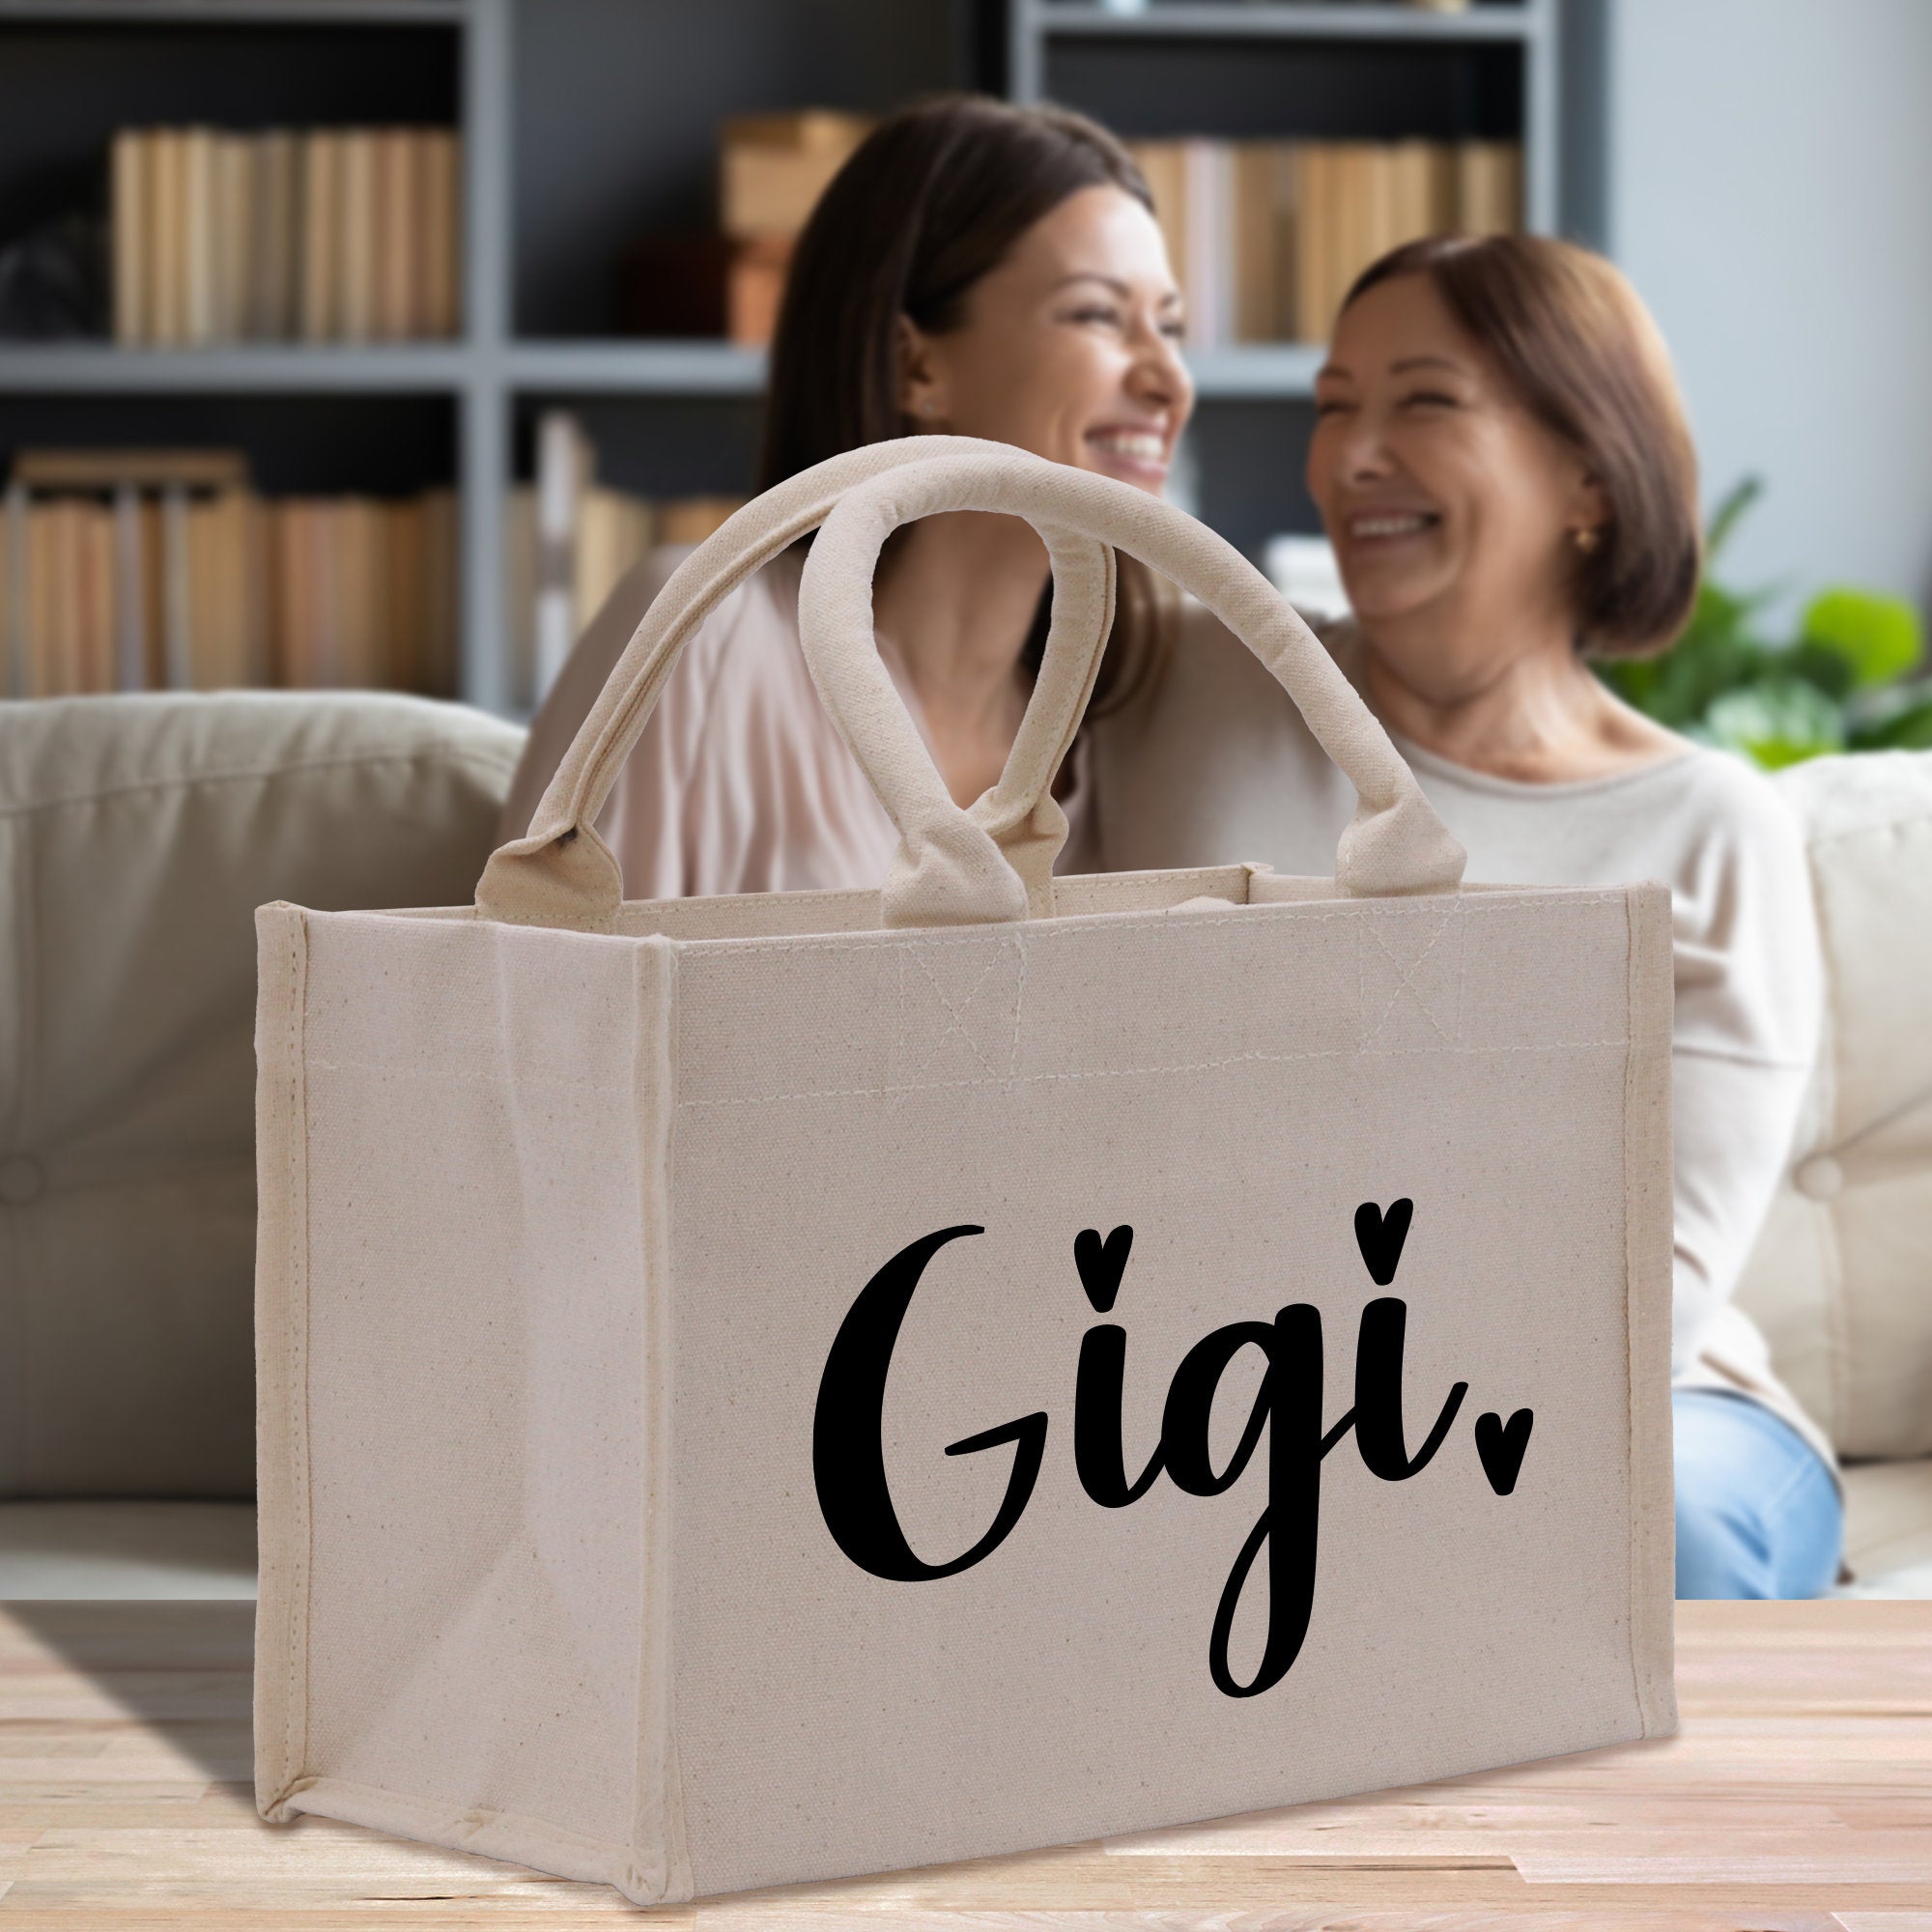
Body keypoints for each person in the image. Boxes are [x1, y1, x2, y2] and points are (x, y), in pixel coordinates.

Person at [1091, 234, 1841, 1599]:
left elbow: (1651, 1291)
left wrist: (1322, 1434)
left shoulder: (1713, 830)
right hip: (1196, 1389)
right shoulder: (1180, 672)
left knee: (1660, 1528)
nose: (1350, 457)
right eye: (1332, 405)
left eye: (1424, 402)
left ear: (1590, 479)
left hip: (1641, 1409)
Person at [501, 95, 1192, 893]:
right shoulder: (704, 634)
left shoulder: (1139, 716)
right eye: (1098, 315)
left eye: (1170, 326)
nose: (1168, 380)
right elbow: (546, 997)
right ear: (914, 366)